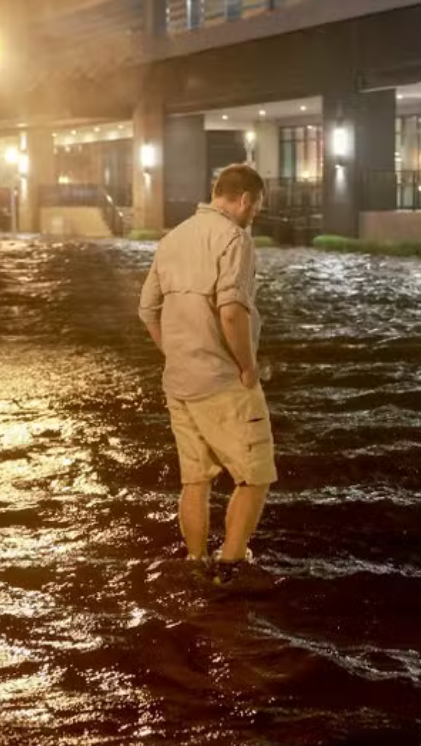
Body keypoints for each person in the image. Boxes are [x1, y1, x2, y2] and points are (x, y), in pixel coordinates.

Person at [138, 163, 276, 583]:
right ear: (245, 199)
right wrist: (248, 368)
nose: (255, 216)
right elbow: (232, 312)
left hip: (179, 381)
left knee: (195, 480)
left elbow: (147, 310)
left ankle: (195, 561)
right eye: (257, 208)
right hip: (222, 382)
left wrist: (176, 353)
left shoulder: (172, 238)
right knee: (255, 474)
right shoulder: (235, 238)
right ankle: (231, 565)